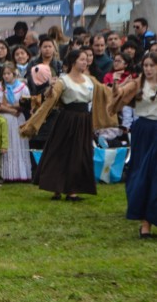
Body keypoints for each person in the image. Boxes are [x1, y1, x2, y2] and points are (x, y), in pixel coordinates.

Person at [20, 49, 116, 201]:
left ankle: (72, 190)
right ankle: (57, 188)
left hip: (84, 120)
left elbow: (107, 92)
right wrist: (50, 88)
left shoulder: (90, 80)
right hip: (67, 120)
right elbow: (50, 97)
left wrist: (122, 88)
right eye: (82, 59)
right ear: (73, 62)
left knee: (79, 154)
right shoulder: (63, 81)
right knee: (60, 153)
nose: (85, 62)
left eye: (86, 60)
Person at [112, 52, 157, 238]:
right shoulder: (137, 83)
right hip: (143, 131)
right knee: (141, 175)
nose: (147, 69)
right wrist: (116, 85)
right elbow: (118, 97)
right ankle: (145, 224)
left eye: (151, 66)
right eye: (145, 65)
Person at [0, 64, 31, 182]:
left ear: (14, 74)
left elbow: (26, 102)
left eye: (8, 74)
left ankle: (20, 173)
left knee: (18, 143)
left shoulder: (22, 86)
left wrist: (15, 106)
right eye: (4, 74)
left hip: (19, 119)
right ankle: (4, 174)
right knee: (6, 142)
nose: (6, 76)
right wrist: (11, 110)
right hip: (4, 118)